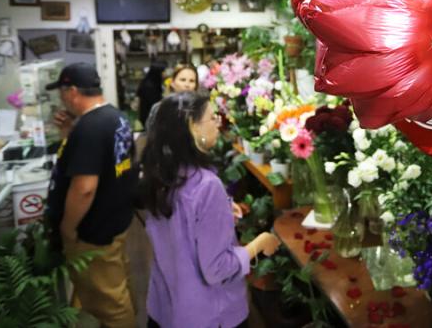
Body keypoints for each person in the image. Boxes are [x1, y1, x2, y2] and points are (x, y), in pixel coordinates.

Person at [140, 92, 280, 328]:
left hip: (166, 305)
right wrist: (260, 244)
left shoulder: (160, 173)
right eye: (212, 117)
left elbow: (180, 226)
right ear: (192, 127)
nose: (218, 123)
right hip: (208, 314)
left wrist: (221, 209)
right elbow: (217, 269)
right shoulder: (206, 186)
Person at [44, 63, 138, 328]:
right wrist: (70, 133)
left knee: (109, 304)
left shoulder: (90, 128)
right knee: (118, 287)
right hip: (114, 219)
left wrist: (68, 227)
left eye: (62, 93)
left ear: (72, 91)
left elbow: (85, 188)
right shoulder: (115, 116)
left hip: (94, 232)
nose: (62, 99)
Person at [137, 61, 167, 128]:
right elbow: (155, 103)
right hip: (149, 118)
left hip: (150, 117)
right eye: (163, 71)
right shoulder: (149, 86)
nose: (165, 74)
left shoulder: (153, 82)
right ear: (157, 72)